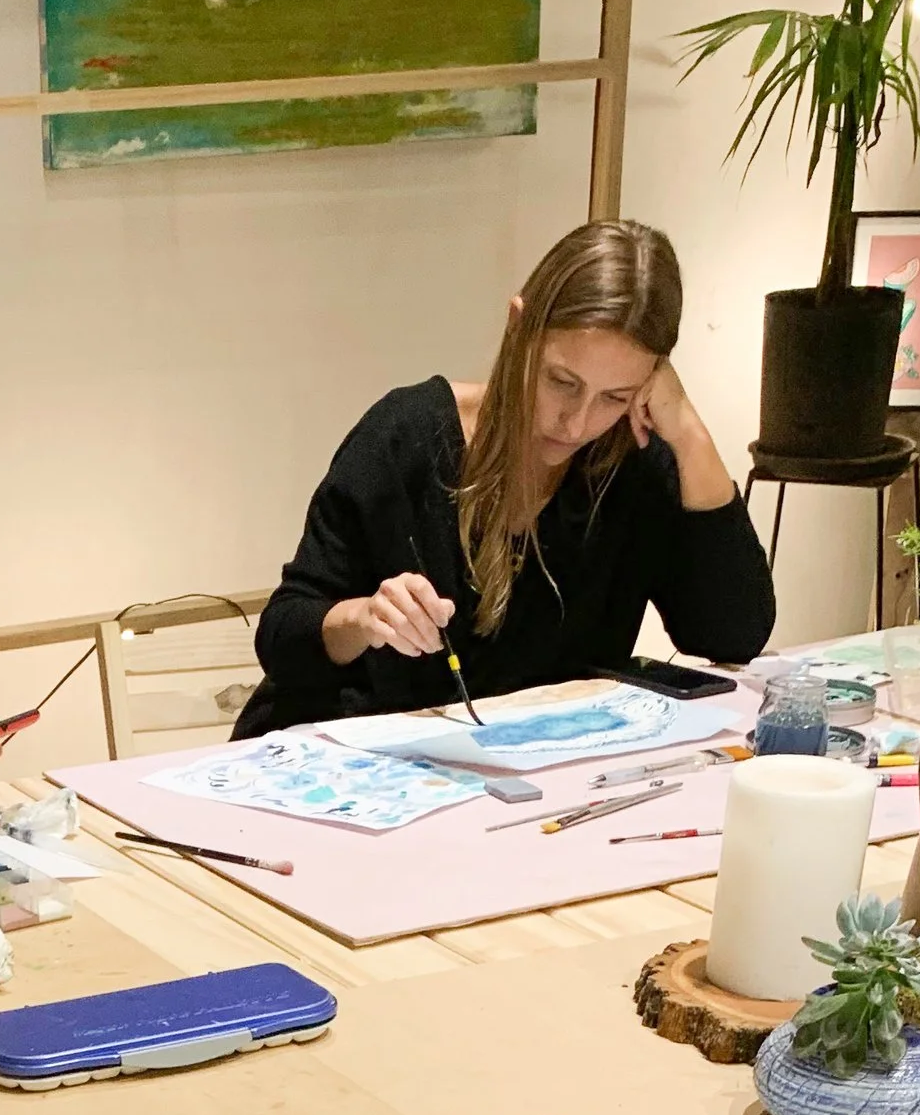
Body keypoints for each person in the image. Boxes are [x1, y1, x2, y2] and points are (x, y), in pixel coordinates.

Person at [235, 218, 775, 739]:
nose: (578, 421)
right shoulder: (409, 436)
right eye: (562, 381)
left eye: (615, 396)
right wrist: (362, 618)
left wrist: (689, 435)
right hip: (346, 759)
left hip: (524, 778)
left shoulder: (630, 463)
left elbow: (732, 635)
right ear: (519, 327)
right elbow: (284, 635)